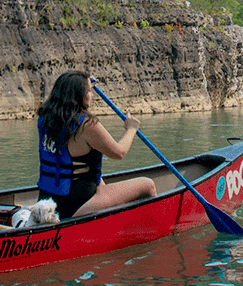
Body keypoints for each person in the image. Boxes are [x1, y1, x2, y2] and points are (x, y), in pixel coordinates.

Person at [36, 71, 158, 218]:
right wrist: (131, 129)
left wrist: (86, 82)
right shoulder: (86, 125)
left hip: (48, 201)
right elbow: (119, 153)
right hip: (78, 204)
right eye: (89, 91)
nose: (91, 95)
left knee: (99, 180)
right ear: (79, 95)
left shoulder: (44, 119)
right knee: (148, 185)